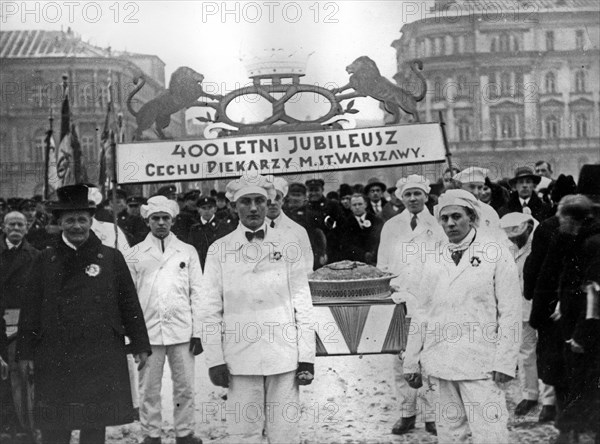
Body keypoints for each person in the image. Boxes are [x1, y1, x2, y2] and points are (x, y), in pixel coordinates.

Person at [16, 184, 151, 444]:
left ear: (91, 221)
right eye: (70, 220)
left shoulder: (110, 258)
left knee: (94, 424)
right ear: (60, 223)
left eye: (81, 220)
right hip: (55, 355)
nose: (76, 226)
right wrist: (25, 353)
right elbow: (30, 310)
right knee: (56, 427)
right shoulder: (45, 260)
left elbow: (129, 304)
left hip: (98, 353)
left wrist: (140, 344)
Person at [199, 175, 315, 444]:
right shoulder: (219, 249)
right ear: (234, 207)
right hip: (239, 359)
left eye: (259, 201)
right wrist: (214, 359)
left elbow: (303, 304)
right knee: (243, 435)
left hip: (283, 356)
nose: (253, 208)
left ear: (269, 203)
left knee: (285, 433)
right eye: (246, 201)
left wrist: (306, 355)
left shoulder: (289, 245)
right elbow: (209, 308)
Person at [403, 189, 522, 443]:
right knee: (449, 434)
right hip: (440, 361)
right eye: (444, 218)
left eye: (456, 217)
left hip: (481, 363)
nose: (450, 224)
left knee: (491, 434)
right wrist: (411, 360)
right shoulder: (434, 256)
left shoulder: (496, 252)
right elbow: (422, 311)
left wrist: (505, 362)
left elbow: (510, 311)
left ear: (472, 217)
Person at [128, 196, 204, 444]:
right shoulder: (135, 254)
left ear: (172, 220)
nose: (161, 223)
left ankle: (184, 432)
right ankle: (152, 434)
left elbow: (198, 292)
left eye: (165, 218)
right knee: (149, 389)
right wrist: (134, 335)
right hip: (148, 332)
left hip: (182, 330)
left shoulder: (187, 251)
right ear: (147, 221)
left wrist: (198, 331)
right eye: (155, 218)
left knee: (185, 387)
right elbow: (128, 298)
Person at [377, 174, 444, 436]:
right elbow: (383, 264)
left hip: (430, 298)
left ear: (426, 196)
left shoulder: (438, 223)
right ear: (401, 198)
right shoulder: (392, 226)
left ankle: (431, 415)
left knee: (429, 356)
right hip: (399, 299)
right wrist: (388, 290)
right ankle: (406, 413)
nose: (413, 199)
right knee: (399, 356)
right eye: (408, 194)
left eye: (418, 194)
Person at [552, 194, 600, 443]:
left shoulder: (592, 243)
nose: (559, 222)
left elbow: (594, 293)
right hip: (579, 325)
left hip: (589, 331)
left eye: (561, 217)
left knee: (587, 384)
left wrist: (581, 334)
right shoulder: (580, 239)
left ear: (571, 219)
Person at [500, 212, 555, 418]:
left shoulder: (542, 242)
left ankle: (550, 400)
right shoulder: (507, 247)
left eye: (517, 234)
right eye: (510, 235)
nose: (513, 238)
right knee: (525, 352)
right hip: (520, 308)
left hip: (543, 306)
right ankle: (530, 394)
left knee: (548, 351)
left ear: (529, 228)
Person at [0, 211, 40, 441]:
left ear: (27, 228)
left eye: (20, 225)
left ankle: (24, 427)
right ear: (4, 227)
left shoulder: (35, 256)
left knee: (20, 376)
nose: (16, 228)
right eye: (11, 224)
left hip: (21, 322)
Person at [266, 177, 314, 274]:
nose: (273, 203)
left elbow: (308, 267)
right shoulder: (248, 230)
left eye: (277, 198)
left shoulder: (298, 231)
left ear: (283, 200)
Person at [188, 196, 234, 271]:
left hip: (220, 267)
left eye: (210, 207)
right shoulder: (194, 229)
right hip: (201, 267)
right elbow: (191, 250)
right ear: (198, 210)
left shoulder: (223, 226)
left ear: (215, 209)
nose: (207, 211)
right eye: (203, 208)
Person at [339, 193, 383, 265]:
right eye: (354, 205)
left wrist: (373, 254)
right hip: (355, 261)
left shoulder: (376, 220)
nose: (357, 207)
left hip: (375, 259)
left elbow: (380, 239)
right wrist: (363, 255)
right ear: (350, 207)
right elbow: (346, 244)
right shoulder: (345, 224)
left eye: (360, 204)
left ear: (365, 205)